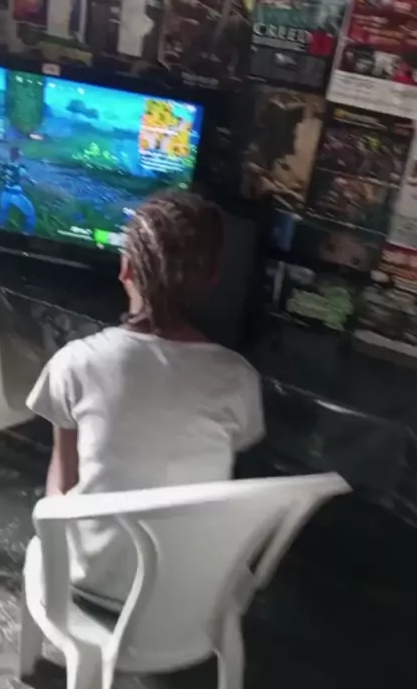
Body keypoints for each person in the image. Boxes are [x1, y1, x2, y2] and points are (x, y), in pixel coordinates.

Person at [27, 190, 265, 609]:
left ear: (126, 269)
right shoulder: (239, 378)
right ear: (212, 278)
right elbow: (238, 446)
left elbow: (61, 488)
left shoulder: (77, 362)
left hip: (90, 579)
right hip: (191, 595)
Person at [0, 146, 36, 234]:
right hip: (15, 194)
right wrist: (33, 182)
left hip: (4, 193)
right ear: (18, 155)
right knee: (31, 213)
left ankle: (0, 228)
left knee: (3, 211)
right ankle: (26, 233)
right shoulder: (20, 169)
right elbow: (28, 178)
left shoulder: (5, 165)